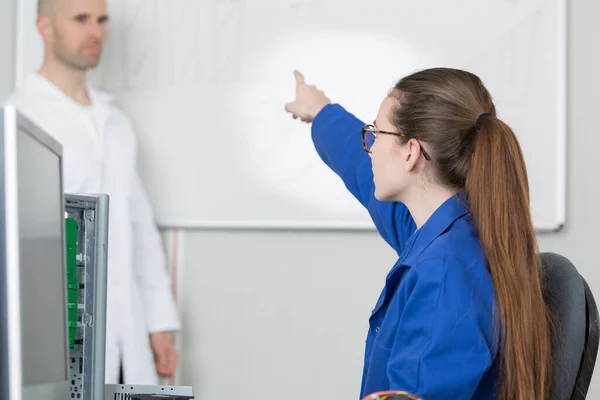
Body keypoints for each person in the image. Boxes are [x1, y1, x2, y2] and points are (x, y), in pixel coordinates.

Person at [284, 68, 551, 399]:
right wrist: (322, 112)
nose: (370, 148)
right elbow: (359, 169)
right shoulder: (450, 231)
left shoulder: (443, 277)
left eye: (376, 134)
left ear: (410, 152)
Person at [6, 0, 180, 384]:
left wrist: (158, 323)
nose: (95, 32)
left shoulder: (115, 122)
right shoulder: (21, 118)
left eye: (102, 20)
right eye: (81, 19)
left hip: (125, 332)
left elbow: (138, 226)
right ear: (45, 28)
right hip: (59, 337)